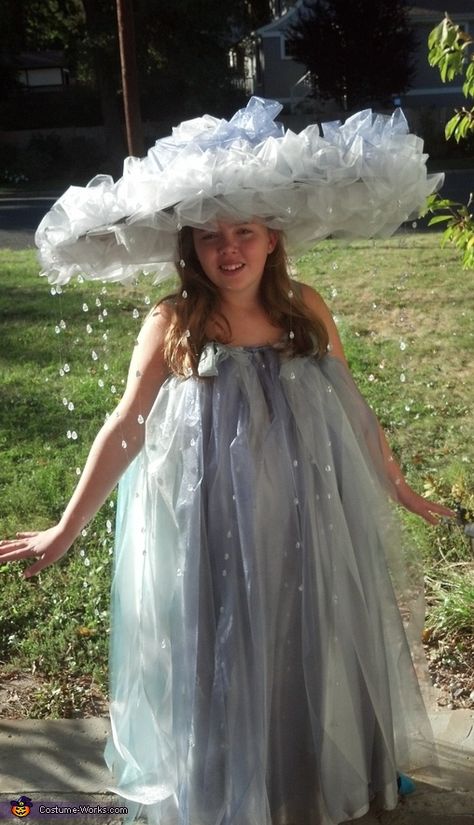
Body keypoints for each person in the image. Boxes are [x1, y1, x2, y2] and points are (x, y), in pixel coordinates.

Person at [0, 98, 454, 825]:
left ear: (273, 238)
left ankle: (306, 771)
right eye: (210, 235)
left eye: (244, 231)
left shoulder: (304, 309)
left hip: (301, 512)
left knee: (304, 629)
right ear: (190, 245)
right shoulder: (174, 321)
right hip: (211, 520)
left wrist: (395, 482)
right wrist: (66, 525)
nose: (228, 248)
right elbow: (126, 426)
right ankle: (226, 782)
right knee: (222, 641)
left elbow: (351, 406)